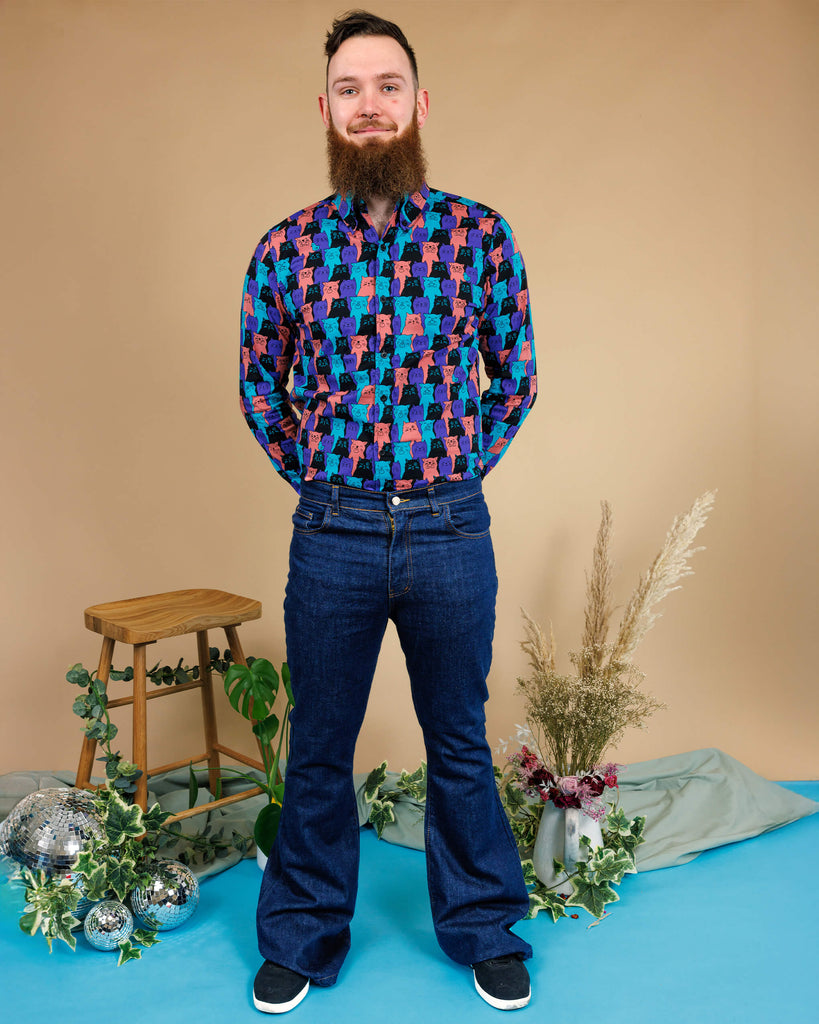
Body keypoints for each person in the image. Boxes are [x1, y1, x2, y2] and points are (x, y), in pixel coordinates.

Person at [239, 10, 537, 1014]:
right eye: (351, 89)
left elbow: (517, 376)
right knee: (321, 741)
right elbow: (258, 388)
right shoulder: (285, 252)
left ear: (418, 103)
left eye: (388, 86)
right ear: (325, 109)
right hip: (335, 534)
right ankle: (301, 935)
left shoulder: (478, 237)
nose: (370, 106)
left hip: (452, 531)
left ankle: (484, 927)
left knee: (457, 737)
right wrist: (322, 481)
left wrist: (453, 470)